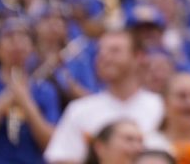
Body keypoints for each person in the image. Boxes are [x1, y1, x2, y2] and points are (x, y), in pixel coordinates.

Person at [44, 30, 164, 164]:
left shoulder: (162, 107)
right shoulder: (80, 109)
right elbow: (60, 158)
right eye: (100, 52)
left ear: (138, 57)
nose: (104, 57)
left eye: (114, 51)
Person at [0, 14, 58, 163]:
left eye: (23, 36)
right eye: (8, 36)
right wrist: (2, 103)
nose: (17, 42)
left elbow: (52, 145)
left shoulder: (45, 90)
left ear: (32, 47)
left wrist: (26, 102)